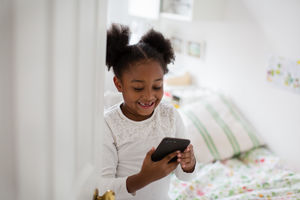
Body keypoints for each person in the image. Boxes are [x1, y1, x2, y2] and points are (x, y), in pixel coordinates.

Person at [99, 23, 196, 200]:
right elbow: (104, 188)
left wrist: (189, 164)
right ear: (119, 84)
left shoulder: (170, 115)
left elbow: (185, 176)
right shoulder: (108, 124)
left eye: (157, 86)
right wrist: (144, 178)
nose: (149, 96)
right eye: (138, 88)